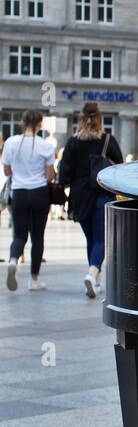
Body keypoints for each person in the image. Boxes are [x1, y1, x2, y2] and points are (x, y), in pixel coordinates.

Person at [60, 103, 124, 298]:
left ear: (81, 119)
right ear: (99, 119)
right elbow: (120, 167)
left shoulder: (72, 142)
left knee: (91, 239)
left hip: (79, 198)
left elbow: (64, 175)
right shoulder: (107, 140)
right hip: (102, 194)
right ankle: (92, 273)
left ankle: (95, 280)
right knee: (102, 240)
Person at [2, 109, 56, 292]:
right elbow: (49, 176)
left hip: (19, 193)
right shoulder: (46, 145)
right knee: (38, 236)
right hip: (39, 192)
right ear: (40, 124)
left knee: (19, 234)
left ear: (22, 122)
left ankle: (13, 261)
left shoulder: (11, 143)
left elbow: (7, 172)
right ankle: (34, 279)